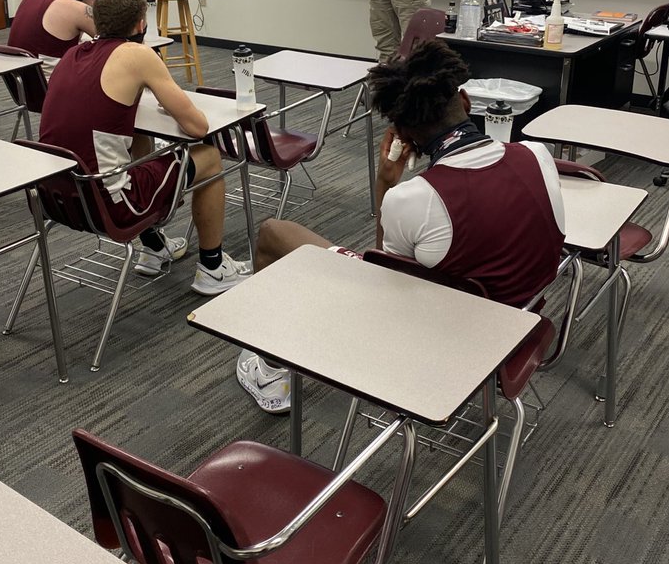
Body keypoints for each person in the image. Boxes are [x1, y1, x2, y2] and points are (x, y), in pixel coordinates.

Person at [236, 40, 565, 413]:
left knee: (273, 233)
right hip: (521, 321)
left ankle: (269, 371)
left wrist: (385, 184)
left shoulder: (415, 198)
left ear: (402, 135)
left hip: (442, 342)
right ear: (466, 102)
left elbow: (384, 284)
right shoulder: (537, 155)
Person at [40, 0, 251, 292]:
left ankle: (153, 246)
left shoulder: (71, 54)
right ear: (141, 24)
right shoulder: (137, 54)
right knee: (208, 157)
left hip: (56, 196)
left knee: (137, 138)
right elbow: (197, 127)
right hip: (109, 205)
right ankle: (213, 268)